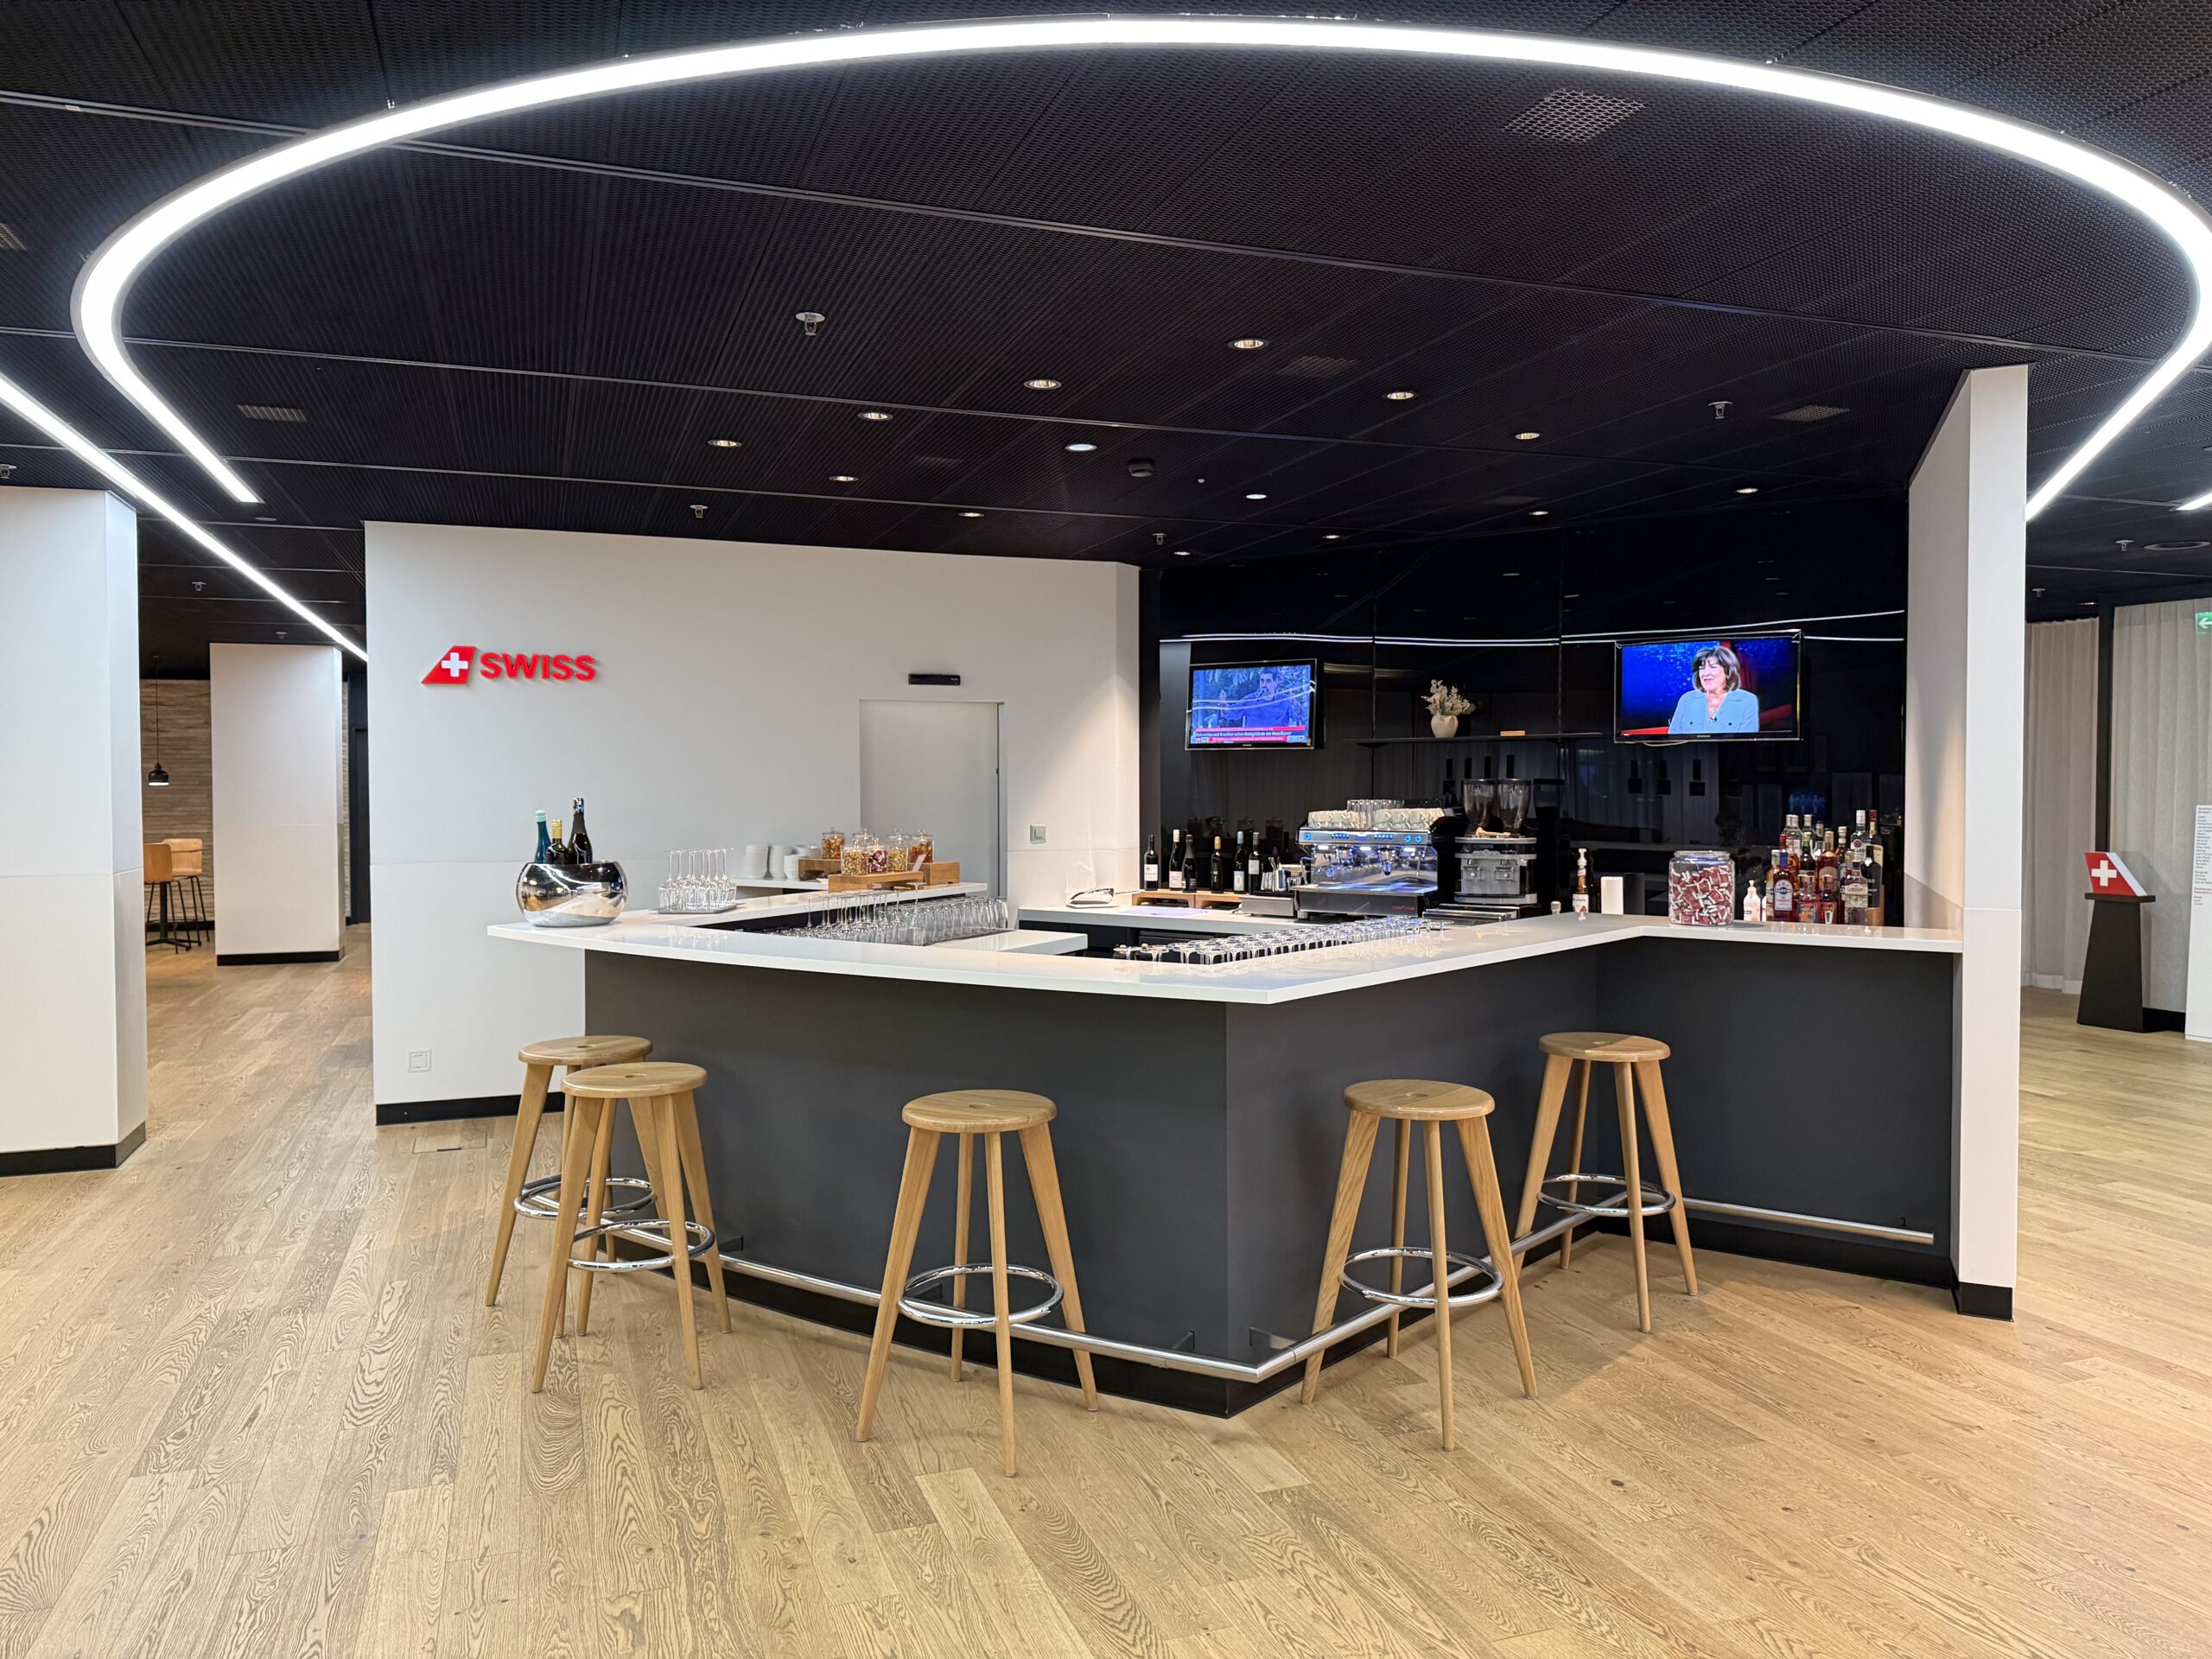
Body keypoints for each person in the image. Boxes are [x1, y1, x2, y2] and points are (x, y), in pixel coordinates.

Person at [1667, 644, 1759, 734]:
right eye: (1702, 668)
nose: (1706, 673)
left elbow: (1746, 743)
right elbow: (1673, 738)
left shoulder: (1747, 701)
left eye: (1713, 667)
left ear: (1728, 672)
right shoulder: (1687, 700)